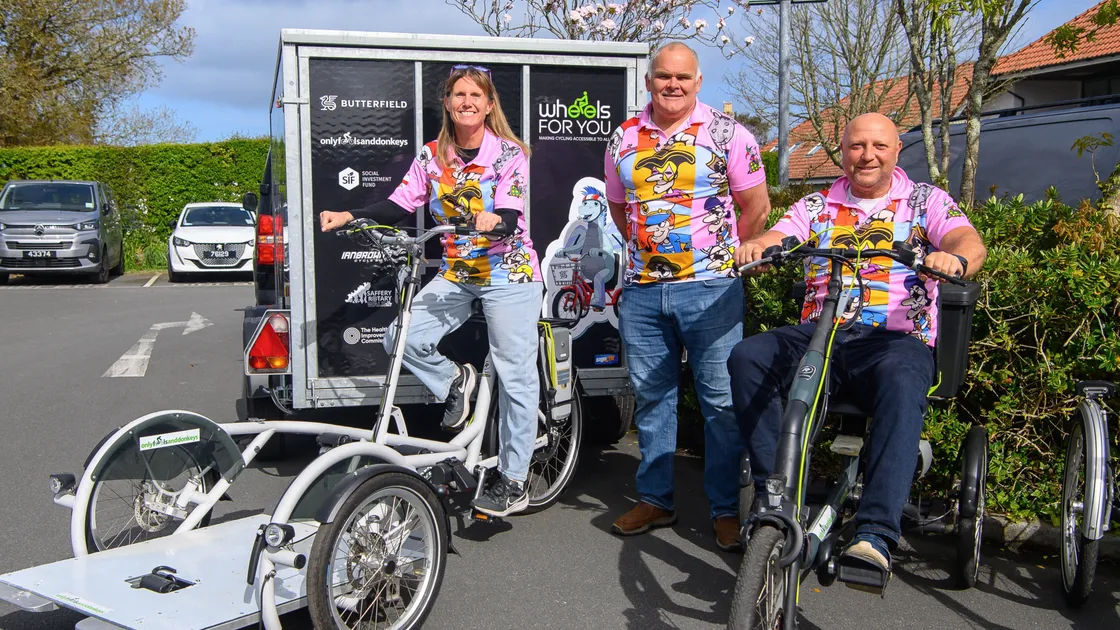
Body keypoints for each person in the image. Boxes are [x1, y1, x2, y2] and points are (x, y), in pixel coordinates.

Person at [729, 112, 988, 571]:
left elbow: (967, 239)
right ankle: (776, 500)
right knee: (749, 356)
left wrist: (956, 257)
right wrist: (761, 245)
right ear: (843, 151)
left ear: (896, 151)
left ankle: (874, 535)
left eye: (879, 146)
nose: (867, 155)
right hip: (822, 334)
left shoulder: (925, 200)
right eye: (856, 146)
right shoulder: (816, 205)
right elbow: (781, 233)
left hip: (894, 339)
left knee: (905, 381)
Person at [320, 65, 542, 518]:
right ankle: (456, 382)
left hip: (509, 271)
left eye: (475, 95)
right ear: (447, 103)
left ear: (489, 104)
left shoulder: (509, 155)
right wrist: (351, 215)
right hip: (460, 272)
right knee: (399, 337)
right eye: (458, 94)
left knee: (515, 373)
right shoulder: (431, 157)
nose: (467, 102)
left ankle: (514, 479)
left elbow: (510, 217)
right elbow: (398, 206)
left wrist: (494, 219)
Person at [603, 42, 771, 551]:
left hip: (712, 289)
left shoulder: (728, 133)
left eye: (683, 77)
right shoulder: (622, 138)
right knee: (653, 399)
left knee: (720, 403)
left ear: (698, 82)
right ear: (649, 81)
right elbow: (618, 208)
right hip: (643, 292)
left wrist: (715, 256)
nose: (672, 85)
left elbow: (756, 208)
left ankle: (724, 510)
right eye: (662, 77)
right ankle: (656, 500)